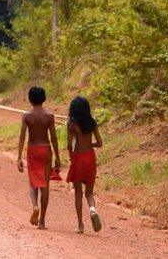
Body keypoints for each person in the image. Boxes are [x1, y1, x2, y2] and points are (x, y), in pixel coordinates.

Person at [16, 86, 61, 229]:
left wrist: (19, 157)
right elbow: (53, 138)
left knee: (33, 182)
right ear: (44, 98)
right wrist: (58, 157)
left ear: (30, 99)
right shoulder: (49, 116)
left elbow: (22, 136)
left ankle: (35, 206)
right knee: (45, 184)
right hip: (46, 149)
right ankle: (42, 221)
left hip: (32, 149)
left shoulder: (26, 116)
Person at [66, 96, 103, 233]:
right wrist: (90, 143)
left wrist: (71, 155)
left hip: (78, 157)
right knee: (89, 192)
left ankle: (80, 225)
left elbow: (69, 145)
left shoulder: (71, 124)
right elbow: (99, 143)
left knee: (78, 193)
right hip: (90, 157)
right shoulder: (92, 123)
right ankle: (92, 210)